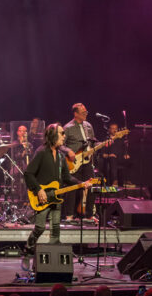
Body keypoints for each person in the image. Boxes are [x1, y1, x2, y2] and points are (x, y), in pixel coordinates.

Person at [23, 124, 91, 252]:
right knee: (40, 227)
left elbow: (67, 178)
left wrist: (82, 183)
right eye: (62, 133)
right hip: (42, 196)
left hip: (56, 196)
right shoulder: (42, 152)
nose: (64, 136)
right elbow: (28, 173)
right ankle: (29, 246)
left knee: (55, 227)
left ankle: (54, 252)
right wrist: (39, 190)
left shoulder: (60, 156)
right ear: (53, 135)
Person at [62, 103, 109, 222]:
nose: (86, 115)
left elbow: (93, 143)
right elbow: (60, 144)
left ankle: (88, 215)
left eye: (86, 112)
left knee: (91, 186)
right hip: (73, 163)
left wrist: (103, 144)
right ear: (76, 114)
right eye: (83, 113)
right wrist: (68, 151)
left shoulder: (88, 126)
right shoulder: (67, 127)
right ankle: (69, 216)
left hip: (87, 161)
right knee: (72, 188)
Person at [101, 122, 130, 187]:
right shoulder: (106, 139)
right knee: (113, 158)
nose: (115, 130)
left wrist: (126, 154)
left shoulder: (120, 139)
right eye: (112, 128)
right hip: (110, 159)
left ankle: (127, 180)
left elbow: (125, 149)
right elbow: (102, 154)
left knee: (129, 159)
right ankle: (115, 180)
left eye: (116, 129)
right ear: (109, 130)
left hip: (120, 158)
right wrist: (109, 155)